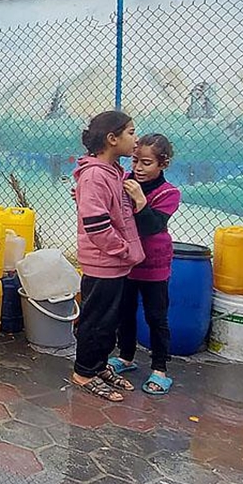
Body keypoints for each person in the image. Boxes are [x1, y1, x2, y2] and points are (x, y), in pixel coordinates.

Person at [71, 110, 144, 403]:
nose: (135, 140)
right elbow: (97, 225)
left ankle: (98, 365)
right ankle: (84, 372)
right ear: (112, 139)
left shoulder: (113, 173)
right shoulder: (94, 176)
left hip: (115, 263)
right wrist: (123, 250)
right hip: (103, 262)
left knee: (108, 320)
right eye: (130, 133)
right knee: (96, 320)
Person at [106, 134, 181, 396]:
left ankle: (160, 368)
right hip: (126, 263)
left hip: (154, 266)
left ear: (164, 164)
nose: (138, 168)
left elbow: (152, 226)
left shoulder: (169, 193)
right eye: (135, 161)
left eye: (146, 163)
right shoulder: (125, 181)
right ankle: (126, 356)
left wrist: (140, 200)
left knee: (155, 316)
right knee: (124, 312)